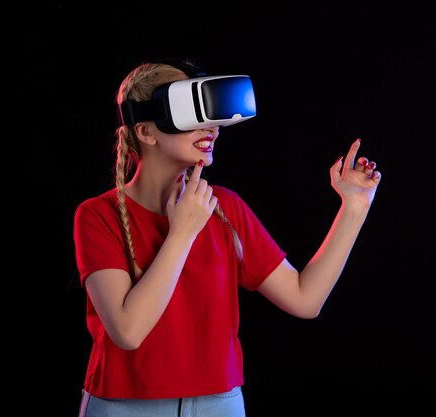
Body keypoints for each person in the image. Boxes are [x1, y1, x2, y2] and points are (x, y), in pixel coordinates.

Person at [73, 59, 382, 417]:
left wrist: (354, 208)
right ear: (146, 131)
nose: (212, 130)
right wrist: (182, 234)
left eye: (213, 117)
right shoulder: (98, 215)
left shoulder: (226, 208)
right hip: (123, 406)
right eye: (193, 114)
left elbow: (305, 299)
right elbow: (127, 331)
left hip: (220, 404)